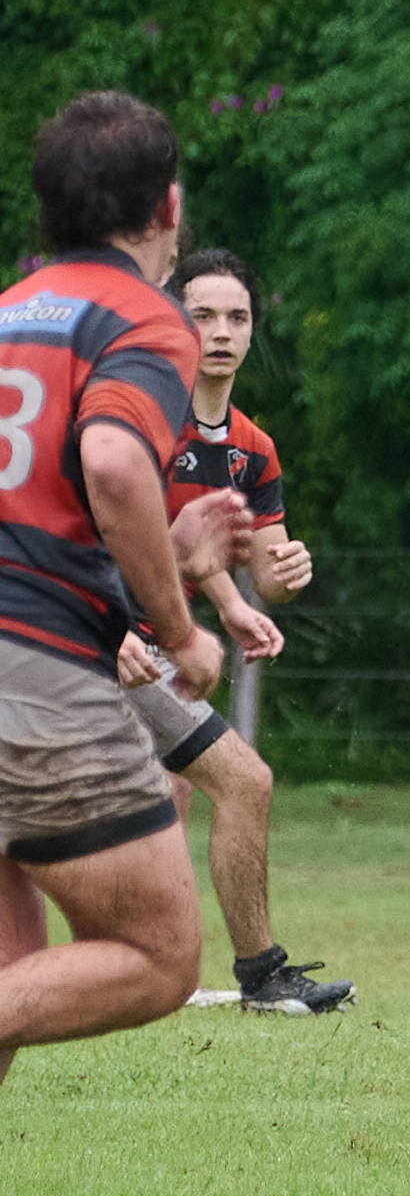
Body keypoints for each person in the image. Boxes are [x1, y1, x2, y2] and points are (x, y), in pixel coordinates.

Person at [0, 90, 250, 1084]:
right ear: (169, 209)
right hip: (36, 676)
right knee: (157, 959)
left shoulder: (8, 314)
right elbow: (110, 463)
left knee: (19, 977)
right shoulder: (142, 320)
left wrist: (165, 547)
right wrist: (182, 627)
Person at [110, 247, 352, 1015]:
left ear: (253, 331)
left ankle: (151, 973)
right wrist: (111, 622)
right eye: (202, 313)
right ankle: (261, 974)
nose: (220, 330)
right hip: (101, 639)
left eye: (236, 316)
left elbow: (254, 562)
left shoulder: (251, 448)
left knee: (172, 797)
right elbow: (107, 527)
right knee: (244, 781)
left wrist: (274, 581)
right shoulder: (139, 418)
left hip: (157, 649)